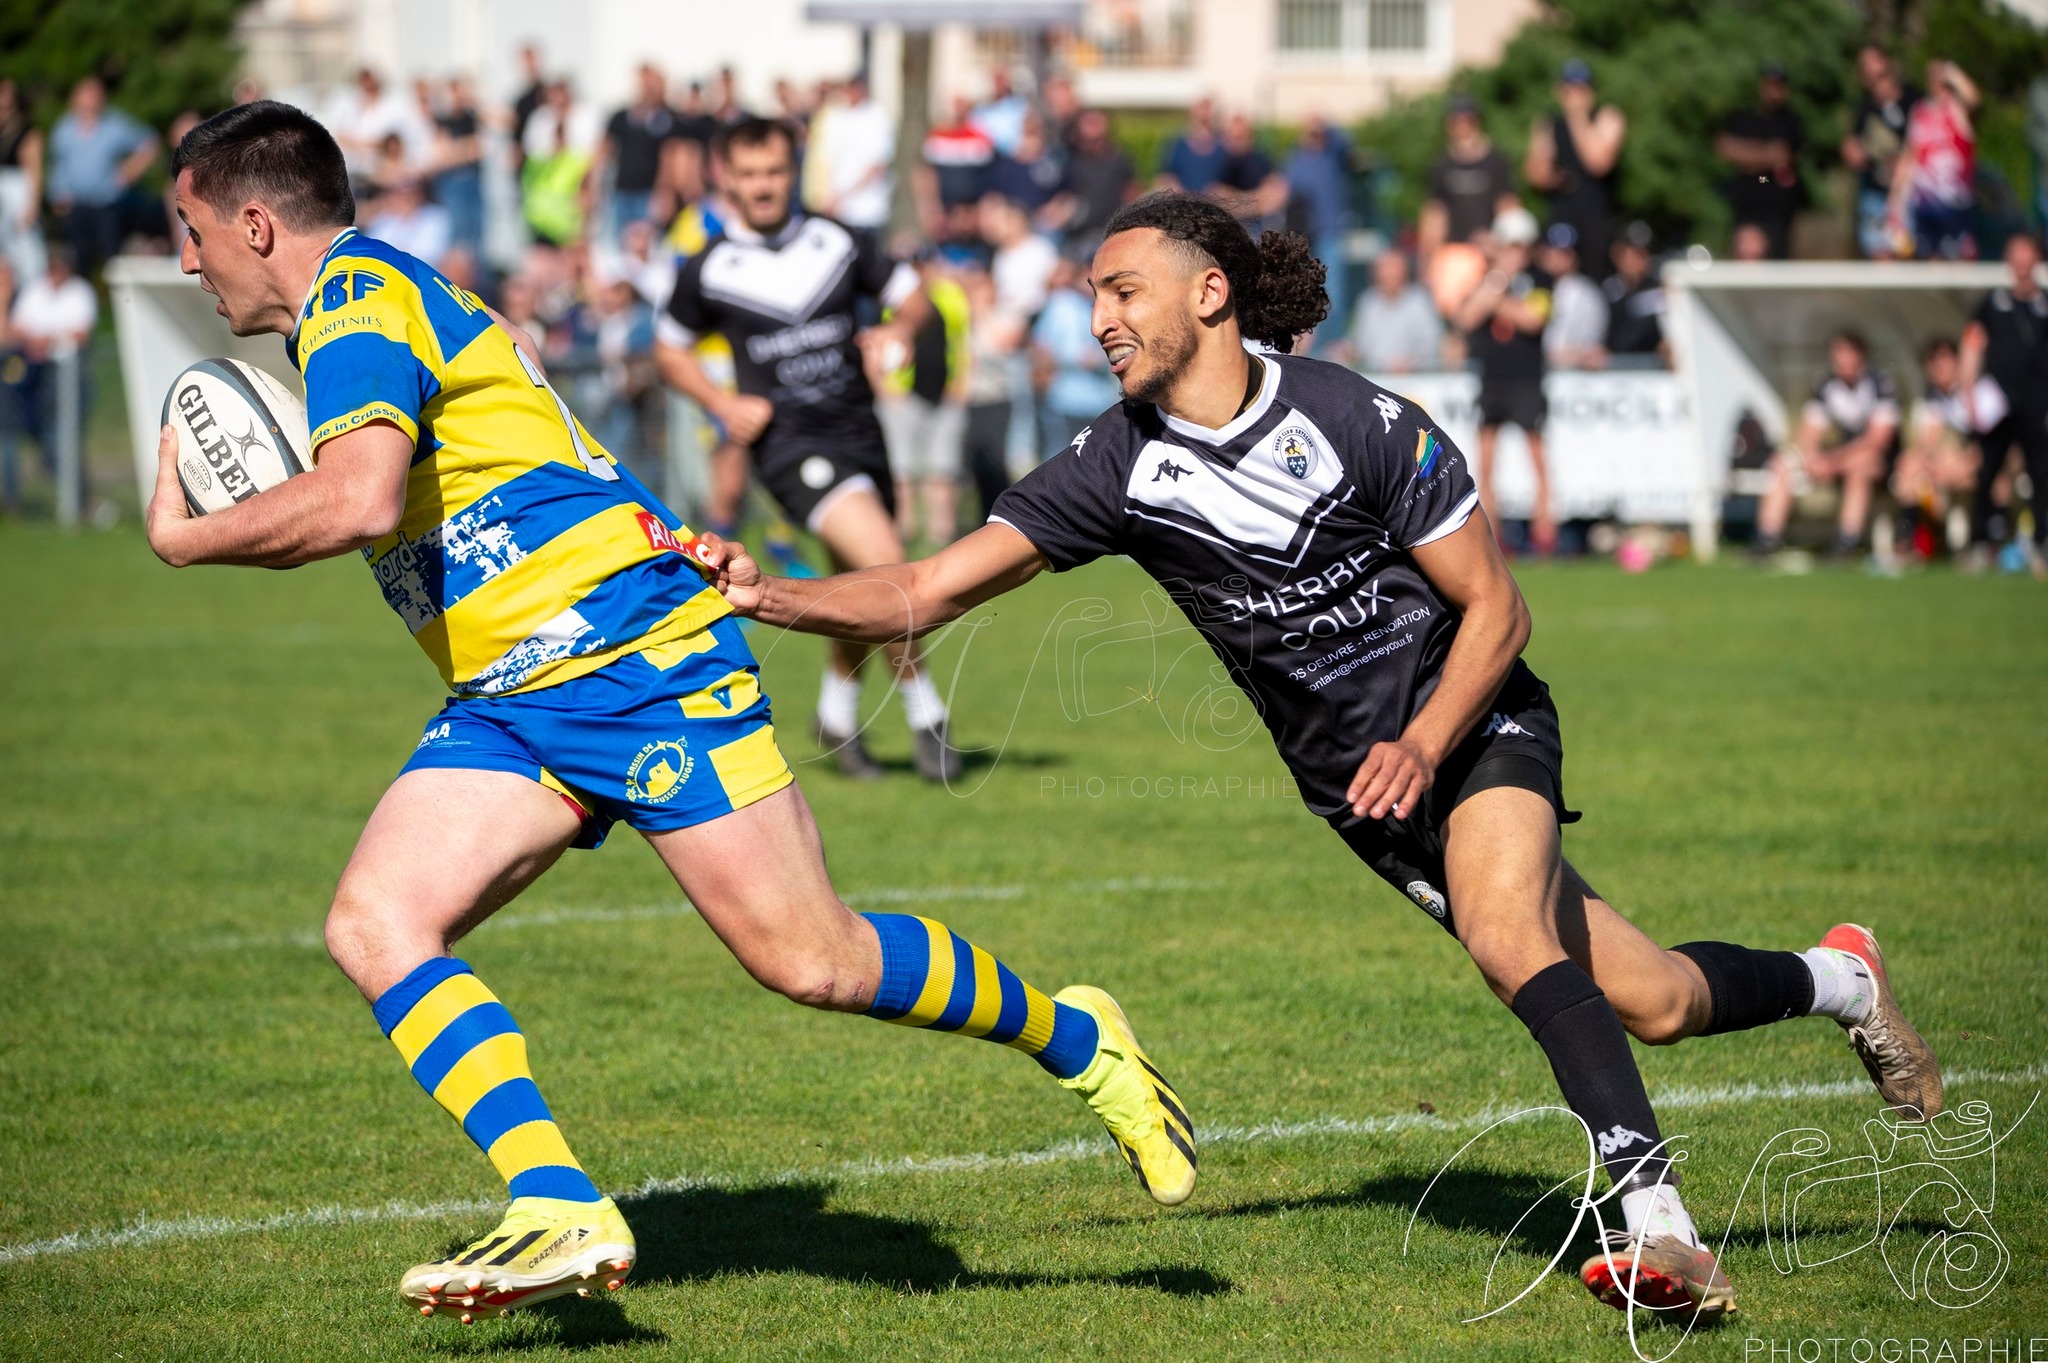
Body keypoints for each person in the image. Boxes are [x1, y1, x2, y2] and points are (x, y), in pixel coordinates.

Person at [693, 189, 1943, 1326]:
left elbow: (1496, 610)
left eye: (1121, 289)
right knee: (1653, 999)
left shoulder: (1355, 418)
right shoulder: (1114, 466)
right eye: (1089, 296)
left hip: (1476, 718)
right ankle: (1839, 982)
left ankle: (1655, 1224)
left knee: (1510, 935)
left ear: (1208, 292)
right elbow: (921, 584)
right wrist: (772, 596)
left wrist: (1422, 733)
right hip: (1365, 793)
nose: (1099, 318)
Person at [146, 101, 1195, 1322]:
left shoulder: (357, 305)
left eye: (192, 228)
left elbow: (362, 500)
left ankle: (1079, 1039)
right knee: (376, 923)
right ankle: (559, 1204)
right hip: (511, 692)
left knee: (814, 961)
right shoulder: (357, 307)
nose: (186, 258)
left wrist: (187, 539)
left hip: (630, 654)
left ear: (255, 222)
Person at [656, 117, 963, 782]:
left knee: (857, 586)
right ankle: (928, 720)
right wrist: (720, 403)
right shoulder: (709, 268)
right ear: (726, 179)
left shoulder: (841, 240)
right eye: (748, 174)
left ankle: (835, 717)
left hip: (862, 432)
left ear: (791, 171)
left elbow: (917, 301)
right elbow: (667, 348)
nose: (762, 186)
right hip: (791, 448)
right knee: (889, 567)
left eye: (773, 171)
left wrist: (897, 331)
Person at [1456, 206, 1555, 554]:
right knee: (1485, 466)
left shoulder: (1541, 279)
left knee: (1539, 464)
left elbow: (1533, 318)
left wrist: (1495, 301)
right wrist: (1498, 286)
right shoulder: (1489, 278)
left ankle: (1545, 538)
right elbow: (1467, 317)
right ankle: (1494, 540)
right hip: (1493, 380)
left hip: (1527, 381)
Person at [1754, 330, 1900, 559]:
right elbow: (1809, 432)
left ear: (1861, 355)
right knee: (1782, 462)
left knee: (1859, 467)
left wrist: (1833, 461)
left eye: (1848, 353)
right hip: (1839, 459)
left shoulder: (1880, 383)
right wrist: (1810, 457)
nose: (1842, 361)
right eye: (1838, 354)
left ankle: (1847, 541)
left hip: (1877, 462)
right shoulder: (1826, 384)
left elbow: (1876, 442)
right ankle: (1766, 537)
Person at [1958, 233, 2048, 573]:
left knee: (2041, 475)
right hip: (1997, 404)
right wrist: (1968, 394)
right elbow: (1972, 347)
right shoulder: (1991, 305)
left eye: (2028, 260)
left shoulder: (2044, 305)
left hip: (2037, 405)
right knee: (1987, 473)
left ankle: (2041, 542)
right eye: (2017, 260)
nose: (2023, 267)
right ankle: (1982, 542)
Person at [878, 249, 971, 546]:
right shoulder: (896, 299)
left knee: (942, 470)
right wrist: (884, 385)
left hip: (945, 394)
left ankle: (941, 534)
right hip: (903, 393)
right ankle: (901, 532)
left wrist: (961, 380)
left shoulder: (951, 295)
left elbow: (963, 340)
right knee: (901, 471)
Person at [1, 241, 97, 511]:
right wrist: (36, 341)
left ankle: (78, 502)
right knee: (38, 441)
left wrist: (48, 339)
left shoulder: (80, 293)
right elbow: (16, 330)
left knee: (63, 442)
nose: (54, 272)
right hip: (33, 380)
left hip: (66, 380)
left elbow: (81, 334)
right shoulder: (35, 291)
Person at [45, 77, 159, 279]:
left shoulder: (115, 124)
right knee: (78, 260)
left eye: (95, 95)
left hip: (106, 203)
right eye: (86, 95)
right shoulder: (64, 129)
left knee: (111, 259)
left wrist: (129, 172)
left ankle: (117, 302)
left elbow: (149, 142)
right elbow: (59, 164)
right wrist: (57, 194)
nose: (91, 100)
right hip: (76, 205)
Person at [1895, 337, 1996, 560]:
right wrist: (1928, 463)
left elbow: (1991, 445)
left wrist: (1956, 464)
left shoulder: (1981, 390)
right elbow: (1927, 442)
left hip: (1986, 465)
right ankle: (1906, 540)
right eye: (1932, 362)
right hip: (1949, 467)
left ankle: (1985, 543)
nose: (1938, 367)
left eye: (1944, 360)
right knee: (1910, 466)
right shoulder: (1933, 397)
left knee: (1958, 471)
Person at [1525, 60, 1625, 279]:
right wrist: (1554, 178)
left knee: (1593, 278)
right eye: (1569, 88)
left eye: (1581, 89)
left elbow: (1597, 162)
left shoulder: (1607, 117)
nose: (1575, 95)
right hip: (1561, 216)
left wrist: (1577, 118)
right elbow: (1535, 173)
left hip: (1595, 220)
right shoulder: (1548, 123)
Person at [1889, 60, 1979, 261]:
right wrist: (1895, 208)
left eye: (1940, 74)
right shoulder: (1920, 111)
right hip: (1925, 203)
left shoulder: (1957, 108)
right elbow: (1909, 159)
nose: (1935, 79)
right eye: (1931, 75)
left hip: (1956, 204)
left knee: (1962, 259)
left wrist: (1952, 72)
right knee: (1930, 260)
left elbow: (1973, 99)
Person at [1033, 255, 1119, 457]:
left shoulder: (1113, 306)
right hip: (1065, 399)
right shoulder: (1060, 304)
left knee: (1098, 457)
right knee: (1061, 457)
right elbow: (1041, 348)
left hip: (1101, 401)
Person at [1716, 61, 1804, 261]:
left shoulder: (1790, 122)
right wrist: (1763, 155)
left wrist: (1746, 154)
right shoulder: (1743, 118)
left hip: (1774, 204)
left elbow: (1780, 155)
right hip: (1747, 201)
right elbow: (1725, 148)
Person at [1419, 95, 1517, 265]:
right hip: (1453, 253)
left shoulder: (1496, 161)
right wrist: (1428, 257)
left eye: (1467, 120)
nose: (1462, 126)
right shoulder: (1442, 165)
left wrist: (1502, 246)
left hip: (1489, 252)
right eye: (1457, 121)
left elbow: (1508, 206)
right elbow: (1435, 213)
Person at [1841, 47, 1919, 260]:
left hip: (1909, 197)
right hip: (1876, 197)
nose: (1877, 84)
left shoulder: (1915, 101)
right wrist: (1852, 153)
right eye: (1869, 78)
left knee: (1908, 254)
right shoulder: (1864, 109)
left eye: (1881, 75)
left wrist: (1905, 163)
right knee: (1881, 258)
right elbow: (1851, 147)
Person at [1284, 114, 1352, 351]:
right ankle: (1313, 351)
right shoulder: (1296, 160)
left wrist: (1327, 126)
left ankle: (1332, 347)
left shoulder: (1331, 155)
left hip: (1330, 233)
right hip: (1304, 238)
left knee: (1333, 296)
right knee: (1306, 296)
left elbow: (1347, 143)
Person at [601, 64, 681, 240]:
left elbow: (669, 158)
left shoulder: (667, 117)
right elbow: (605, 151)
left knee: (648, 246)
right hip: (622, 192)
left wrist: (665, 192)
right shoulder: (621, 116)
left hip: (649, 194)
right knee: (619, 246)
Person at [813, 73, 893, 231]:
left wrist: (843, 197)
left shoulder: (877, 117)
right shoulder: (836, 117)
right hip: (838, 209)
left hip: (867, 210)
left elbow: (876, 166)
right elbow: (828, 161)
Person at [1056, 107, 1136, 261]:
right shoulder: (1069, 160)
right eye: (1089, 122)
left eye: (1097, 122)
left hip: (1110, 233)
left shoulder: (1119, 159)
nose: (1093, 127)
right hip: (1076, 234)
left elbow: (1131, 191)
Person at [1349, 250, 1442, 374]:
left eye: (1393, 269)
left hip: (1414, 378)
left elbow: (1433, 344)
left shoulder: (1420, 301)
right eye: (1384, 270)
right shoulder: (1368, 301)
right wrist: (1348, 351)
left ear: (1405, 272)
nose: (1388, 275)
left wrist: (1411, 362)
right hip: (1375, 377)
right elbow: (1360, 344)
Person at [429, 77, 486, 262]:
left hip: (473, 183)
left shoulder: (472, 117)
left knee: (476, 237)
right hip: (453, 185)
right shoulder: (444, 121)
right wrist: (466, 149)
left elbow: (480, 148)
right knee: (457, 236)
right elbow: (442, 157)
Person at [1537, 222, 1607, 371]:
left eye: (1564, 252)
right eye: (1552, 250)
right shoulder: (1544, 286)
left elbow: (1557, 348)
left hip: (1574, 377)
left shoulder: (1580, 292)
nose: (1555, 256)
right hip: (1551, 374)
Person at [1208, 114, 1287, 236]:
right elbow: (1216, 196)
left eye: (1240, 138)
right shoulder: (1220, 162)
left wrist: (1237, 201)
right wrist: (1257, 200)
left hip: (1259, 230)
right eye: (1232, 138)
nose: (1236, 143)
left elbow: (1277, 195)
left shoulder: (1261, 160)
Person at [0, 79, 46, 284]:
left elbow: (34, 170)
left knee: (25, 246)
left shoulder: (28, 132)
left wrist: (33, 203)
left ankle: (33, 291)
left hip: (18, 192)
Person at [1602, 221, 1665, 363]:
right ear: (1616, 253)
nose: (1642, 260)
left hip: (1652, 370)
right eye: (1636, 253)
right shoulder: (1606, 290)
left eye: (1645, 253)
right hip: (1612, 371)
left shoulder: (1657, 291)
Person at [361, 176, 452, 268]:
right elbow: (373, 253)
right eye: (399, 193)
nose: (405, 199)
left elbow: (430, 255)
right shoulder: (381, 221)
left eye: (410, 193)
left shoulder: (435, 216)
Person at [1158, 98, 1227, 196]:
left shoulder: (1224, 145)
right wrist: (1176, 190)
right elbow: (1165, 175)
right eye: (1201, 108)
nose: (1205, 113)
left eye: (1208, 108)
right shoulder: (1177, 144)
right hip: (1183, 204)